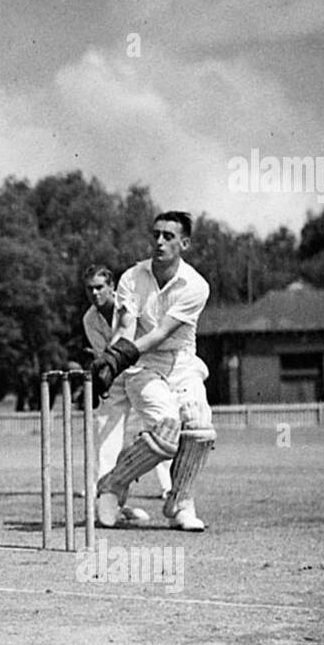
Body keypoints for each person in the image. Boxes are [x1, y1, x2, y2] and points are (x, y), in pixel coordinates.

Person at [90, 213, 216, 531]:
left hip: (182, 362)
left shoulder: (196, 286)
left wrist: (119, 356)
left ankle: (180, 502)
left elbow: (161, 333)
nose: (159, 241)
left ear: (184, 243)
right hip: (144, 367)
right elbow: (127, 327)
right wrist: (109, 359)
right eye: (156, 234)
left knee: (199, 425)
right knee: (166, 428)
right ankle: (113, 484)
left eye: (168, 237)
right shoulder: (132, 278)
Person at [81, 263, 173, 521]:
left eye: (100, 287)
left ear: (111, 286)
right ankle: (108, 504)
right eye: (90, 289)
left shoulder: (131, 303)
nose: (95, 294)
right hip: (117, 378)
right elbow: (105, 356)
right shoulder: (90, 319)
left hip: (146, 371)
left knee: (163, 428)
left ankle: (172, 493)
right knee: (106, 441)